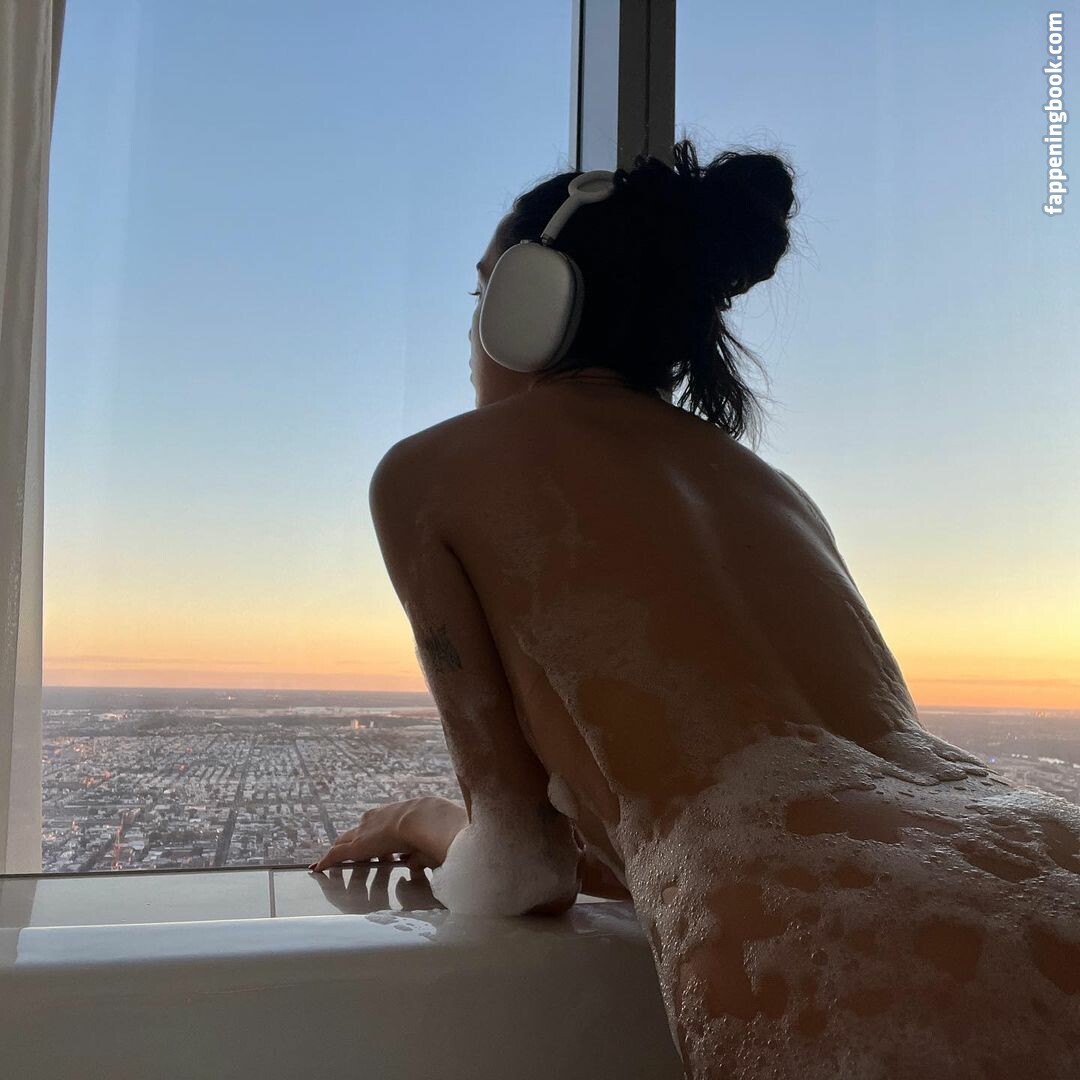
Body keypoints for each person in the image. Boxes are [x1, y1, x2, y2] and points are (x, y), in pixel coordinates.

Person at [313, 140, 1080, 1078]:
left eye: (482, 295)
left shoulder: (431, 473)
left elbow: (518, 871)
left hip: (858, 958)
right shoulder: (777, 494)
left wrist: (418, 818)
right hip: (1041, 861)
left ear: (529, 305)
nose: (471, 332)